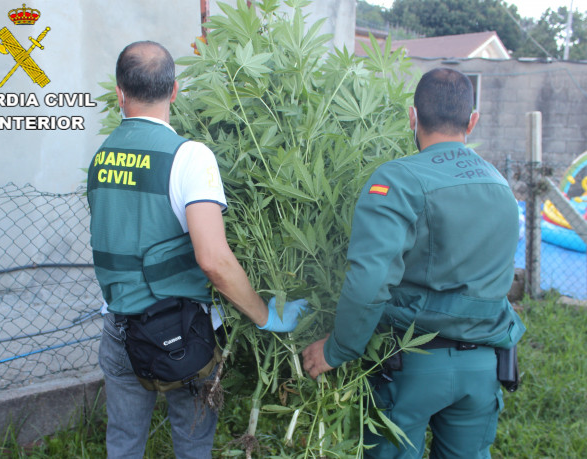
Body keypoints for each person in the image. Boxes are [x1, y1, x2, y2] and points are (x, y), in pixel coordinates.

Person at [87, 41, 307, 459]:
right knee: (192, 443)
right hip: (183, 332)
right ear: (174, 91)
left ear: (119, 93)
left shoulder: (102, 157)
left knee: (124, 443)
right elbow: (214, 260)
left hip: (118, 328)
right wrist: (264, 315)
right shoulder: (188, 157)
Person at [302, 68, 525, 458]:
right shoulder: (501, 186)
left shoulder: (397, 179)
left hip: (413, 364)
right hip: (483, 367)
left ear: (412, 116)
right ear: (472, 121)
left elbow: (369, 281)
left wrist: (338, 349)